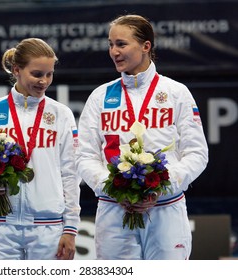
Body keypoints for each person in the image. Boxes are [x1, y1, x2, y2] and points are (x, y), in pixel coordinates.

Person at [76, 14, 208, 260]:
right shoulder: (100, 96)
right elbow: (84, 155)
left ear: (146, 46)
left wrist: (162, 187)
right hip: (115, 212)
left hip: (166, 210)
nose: (114, 51)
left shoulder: (176, 93)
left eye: (121, 44)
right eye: (111, 44)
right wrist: (113, 186)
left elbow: (197, 153)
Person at [0, 38, 81, 260]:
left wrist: (71, 228)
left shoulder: (61, 114)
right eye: (37, 74)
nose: (44, 81)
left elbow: (71, 173)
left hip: (48, 227)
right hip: (1, 227)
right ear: (17, 70)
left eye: (49, 74)